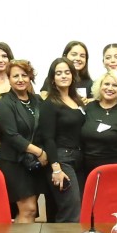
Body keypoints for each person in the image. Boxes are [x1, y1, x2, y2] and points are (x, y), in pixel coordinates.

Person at [0, 59, 53, 222]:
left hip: (32, 163)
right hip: (14, 162)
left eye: (24, 75)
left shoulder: (37, 100)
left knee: (32, 210)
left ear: (30, 77)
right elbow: (11, 135)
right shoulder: (5, 103)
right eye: (15, 76)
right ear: (9, 79)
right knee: (28, 209)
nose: (20, 79)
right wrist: (39, 152)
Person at [39, 59, 86, 223]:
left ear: (73, 75)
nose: (64, 76)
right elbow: (48, 138)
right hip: (61, 160)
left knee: (79, 209)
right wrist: (56, 169)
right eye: (59, 73)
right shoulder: (50, 103)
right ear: (52, 79)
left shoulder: (76, 100)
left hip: (79, 159)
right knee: (70, 212)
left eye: (67, 72)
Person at [79, 71, 117, 192]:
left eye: (115, 85)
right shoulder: (88, 108)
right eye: (106, 84)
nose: (110, 88)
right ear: (100, 86)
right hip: (89, 172)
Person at [62, 41, 93, 105]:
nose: (78, 58)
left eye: (82, 56)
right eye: (74, 54)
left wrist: (89, 101)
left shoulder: (90, 84)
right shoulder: (55, 79)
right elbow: (45, 100)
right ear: (65, 56)